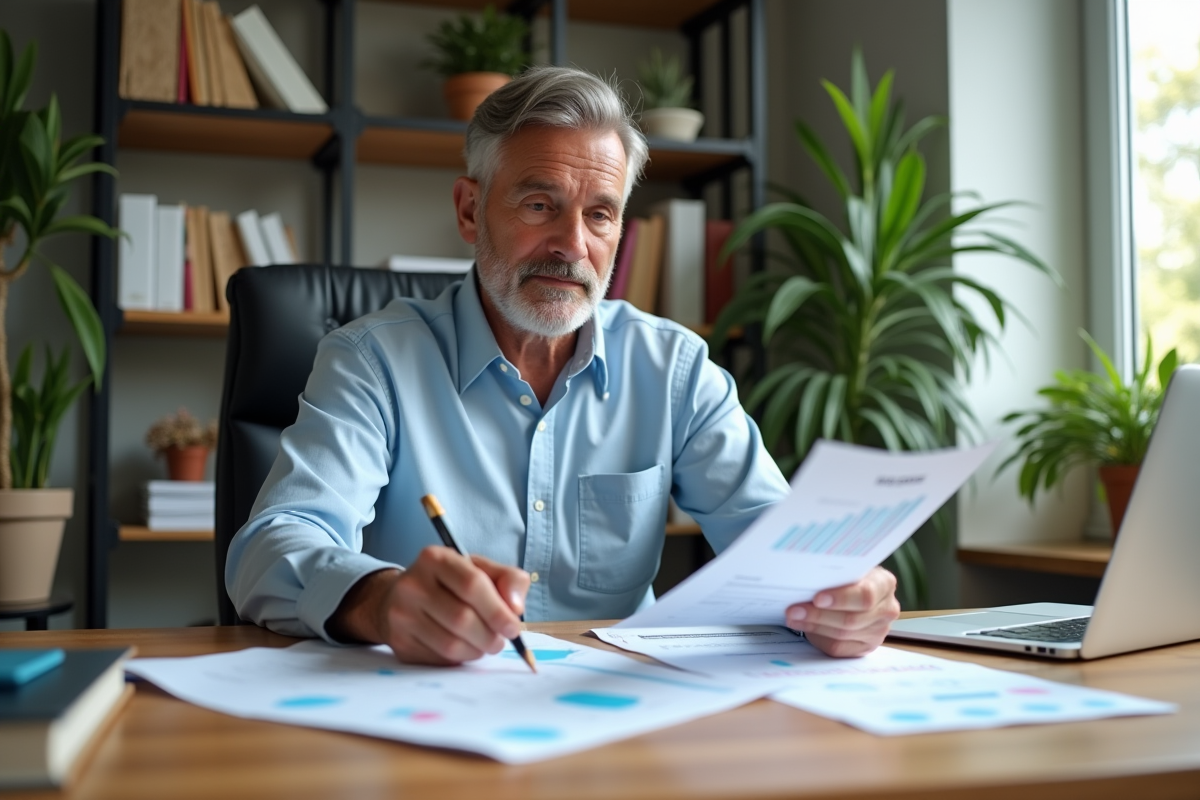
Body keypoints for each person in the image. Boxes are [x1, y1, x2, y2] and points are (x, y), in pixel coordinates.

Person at [226, 66, 899, 665]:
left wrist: (842, 595)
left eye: (600, 215)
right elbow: (273, 546)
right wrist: (380, 600)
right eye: (540, 204)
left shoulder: (674, 368)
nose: (571, 247)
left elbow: (782, 550)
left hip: (618, 720)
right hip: (427, 716)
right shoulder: (372, 361)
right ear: (469, 209)